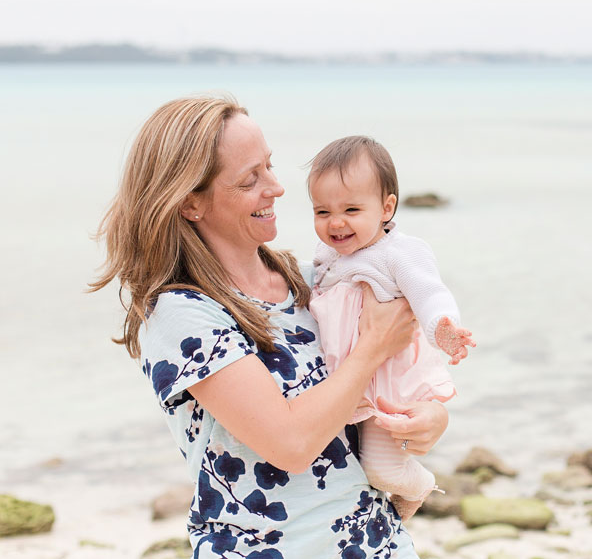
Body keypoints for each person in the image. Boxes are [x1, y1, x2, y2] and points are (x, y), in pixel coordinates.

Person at [90, 96, 449, 558]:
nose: (277, 188)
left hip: (379, 544)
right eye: (249, 179)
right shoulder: (181, 312)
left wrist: (429, 419)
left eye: (270, 166)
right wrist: (373, 345)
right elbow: (292, 443)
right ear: (191, 203)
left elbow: (395, 370)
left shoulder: (315, 281)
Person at [307, 136, 475, 520]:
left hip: (388, 382)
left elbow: (430, 294)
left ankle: (417, 489)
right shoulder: (326, 256)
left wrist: (443, 329)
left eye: (351, 209)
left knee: (380, 468)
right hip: (345, 381)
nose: (335, 223)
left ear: (386, 208)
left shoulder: (399, 252)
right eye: (321, 212)